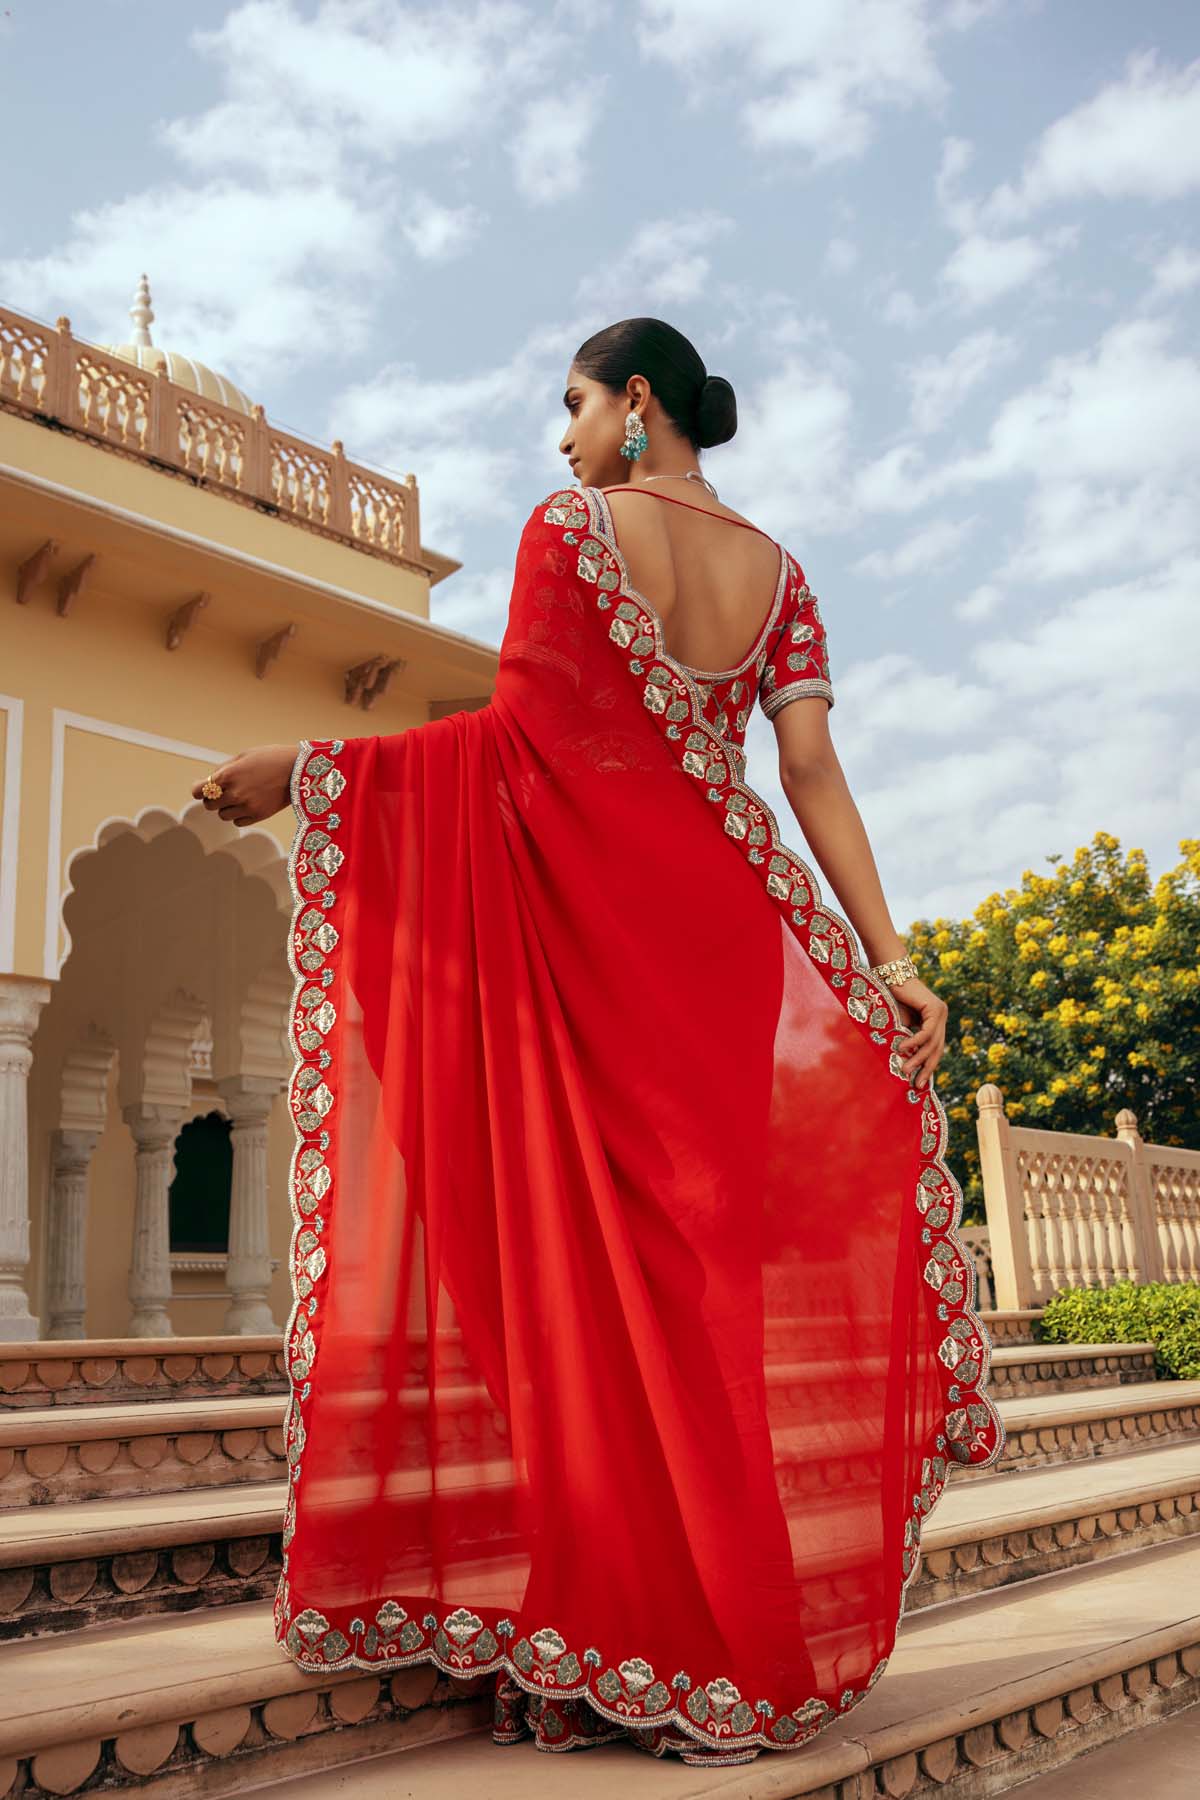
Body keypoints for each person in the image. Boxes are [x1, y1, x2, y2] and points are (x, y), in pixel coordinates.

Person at [193, 318, 1003, 1767]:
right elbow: (806, 769)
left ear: (637, 405)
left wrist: (314, 775)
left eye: (571, 403)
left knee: (582, 1288)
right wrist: (889, 958)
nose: (559, 435)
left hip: (603, 934)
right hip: (722, 943)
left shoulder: (571, 528)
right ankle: (715, 1639)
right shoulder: (784, 576)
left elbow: (527, 742)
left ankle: (631, 1641)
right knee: (693, 1301)